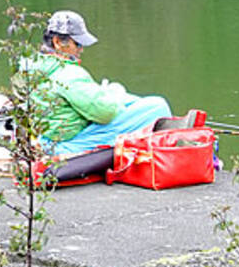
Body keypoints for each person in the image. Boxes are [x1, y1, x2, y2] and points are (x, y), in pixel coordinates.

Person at [22, 10, 172, 157]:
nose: (81, 49)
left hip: (46, 138)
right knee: (158, 106)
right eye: (78, 44)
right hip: (67, 145)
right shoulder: (68, 73)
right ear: (58, 42)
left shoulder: (31, 67)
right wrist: (115, 97)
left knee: (118, 93)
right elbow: (105, 114)